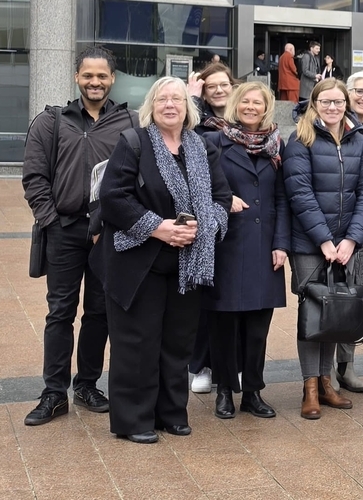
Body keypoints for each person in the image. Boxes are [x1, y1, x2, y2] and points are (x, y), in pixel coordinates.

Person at [91, 76, 232, 443]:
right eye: (162, 99)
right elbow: (114, 198)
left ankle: (171, 413)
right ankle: (134, 420)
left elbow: (221, 198)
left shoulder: (203, 148)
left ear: (188, 108)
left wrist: (204, 227)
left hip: (188, 264)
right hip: (139, 262)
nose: (170, 105)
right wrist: (159, 228)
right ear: (151, 107)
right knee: (138, 343)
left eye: (177, 99)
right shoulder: (134, 143)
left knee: (176, 344)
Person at [21, 46, 138, 426]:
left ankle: (86, 384)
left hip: (109, 232)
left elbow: (136, 179)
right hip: (64, 230)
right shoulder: (50, 121)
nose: (95, 82)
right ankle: (54, 392)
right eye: (88, 75)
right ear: (77, 77)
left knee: (100, 312)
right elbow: (34, 178)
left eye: (102, 76)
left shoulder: (129, 123)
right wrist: (51, 222)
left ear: (113, 79)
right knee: (60, 312)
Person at [284, 78, 363, 418]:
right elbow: (300, 195)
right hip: (310, 244)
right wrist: (324, 240)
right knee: (313, 313)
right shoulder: (300, 139)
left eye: (338, 102)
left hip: (347, 244)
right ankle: (309, 388)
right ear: (315, 104)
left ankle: (326, 384)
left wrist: (350, 240)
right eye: (326, 102)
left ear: (346, 105)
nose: (332, 108)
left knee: (337, 310)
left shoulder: (358, 141)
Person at [200, 81, 289, 420]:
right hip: (227, 244)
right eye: (246, 101)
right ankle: (225, 390)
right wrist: (220, 201)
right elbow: (196, 188)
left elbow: (282, 198)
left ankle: (252, 391)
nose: (252, 107)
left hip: (264, 246)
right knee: (224, 323)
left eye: (259, 103)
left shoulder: (276, 147)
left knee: (257, 326)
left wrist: (281, 243)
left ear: (267, 108)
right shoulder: (213, 142)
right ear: (236, 104)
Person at [330, 70, 363, 394]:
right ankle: (321, 373)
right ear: (347, 93)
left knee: (355, 296)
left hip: (361, 225)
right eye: (359, 91)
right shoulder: (332, 123)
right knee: (324, 297)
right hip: (329, 225)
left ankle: (346, 367)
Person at [184, 62, 238, 393]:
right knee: (205, 300)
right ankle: (201, 364)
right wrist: (190, 98)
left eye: (223, 84)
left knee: (237, 300)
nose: (218, 90)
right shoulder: (197, 127)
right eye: (210, 86)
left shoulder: (246, 122)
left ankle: (235, 364)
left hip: (243, 222)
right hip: (208, 222)